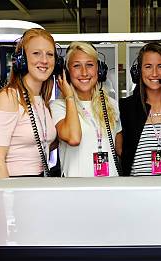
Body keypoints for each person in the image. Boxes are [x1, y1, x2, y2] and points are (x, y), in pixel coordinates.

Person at [0, 28, 59, 177]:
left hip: (38, 183)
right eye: (36, 53)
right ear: (22, 59)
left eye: (50, 54)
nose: (44, 60)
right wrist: (9, 197)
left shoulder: (42, 100)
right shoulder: (8, 97)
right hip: (16, 184)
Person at [50, 41, 122, 177]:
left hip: (110, 187)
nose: (84, 72)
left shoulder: (111, 105)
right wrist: (69, 97)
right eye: (77, 66)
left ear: (98, 70)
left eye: (89, 65)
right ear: (66, 72)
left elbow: (120, 149)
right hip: (76, 190)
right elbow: (73, 138)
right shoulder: (59, 107)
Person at [119, 42, 161, 176]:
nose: (155, 73)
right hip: (138, 190)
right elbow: (120, 150)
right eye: (148, 67)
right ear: (138, 71)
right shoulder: (126, 107)